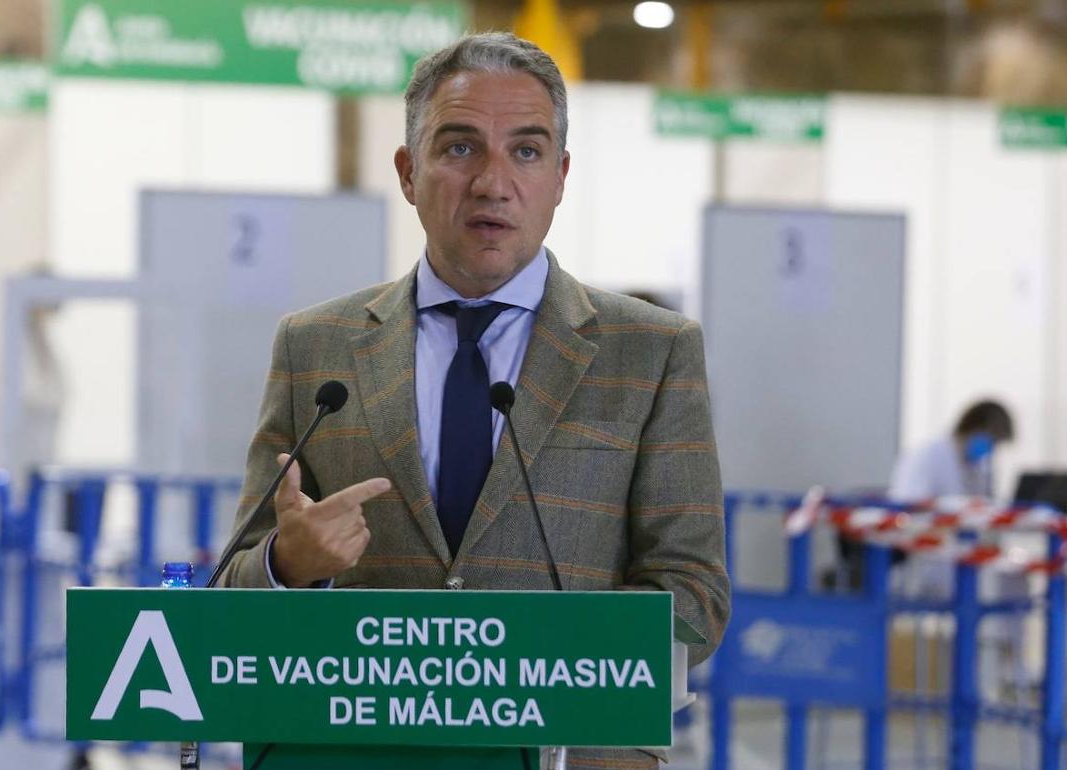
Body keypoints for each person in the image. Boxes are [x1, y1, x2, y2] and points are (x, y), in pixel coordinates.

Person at [219, 32, 728, 769]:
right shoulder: (315, 346)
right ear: (407, 171)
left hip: (568, 755)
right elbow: (234, 589)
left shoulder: (651, 351)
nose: (494, 182)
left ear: (560, 175)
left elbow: (695, 594)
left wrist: (522, 663)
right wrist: (285, 564)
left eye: (526, 152)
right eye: (460, 148)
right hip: (355, 751)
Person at [889, 399, 1015, 501]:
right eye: (992, 440)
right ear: (973, 428)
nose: (992, 449)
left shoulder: (980, 467)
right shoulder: (928, 455)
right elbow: (910, 503)